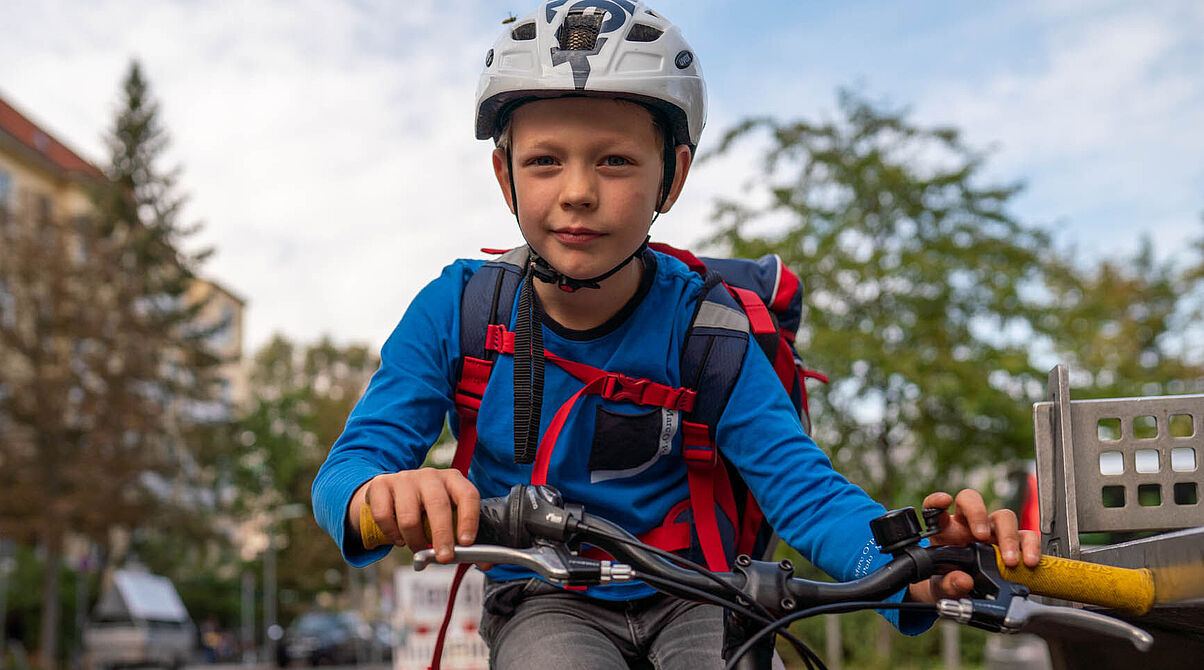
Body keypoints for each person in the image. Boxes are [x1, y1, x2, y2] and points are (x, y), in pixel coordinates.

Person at [312, 2, 1040, 667]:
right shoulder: (456, 311)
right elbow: (347, 472)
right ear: (504, 176)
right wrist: (385, 492)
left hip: (705, 593)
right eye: (543, 161)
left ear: (674, 177)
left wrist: (913, 560)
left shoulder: (710, 330)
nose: (576, 191)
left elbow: (807, 495)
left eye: (616, 160)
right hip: (544, 599)